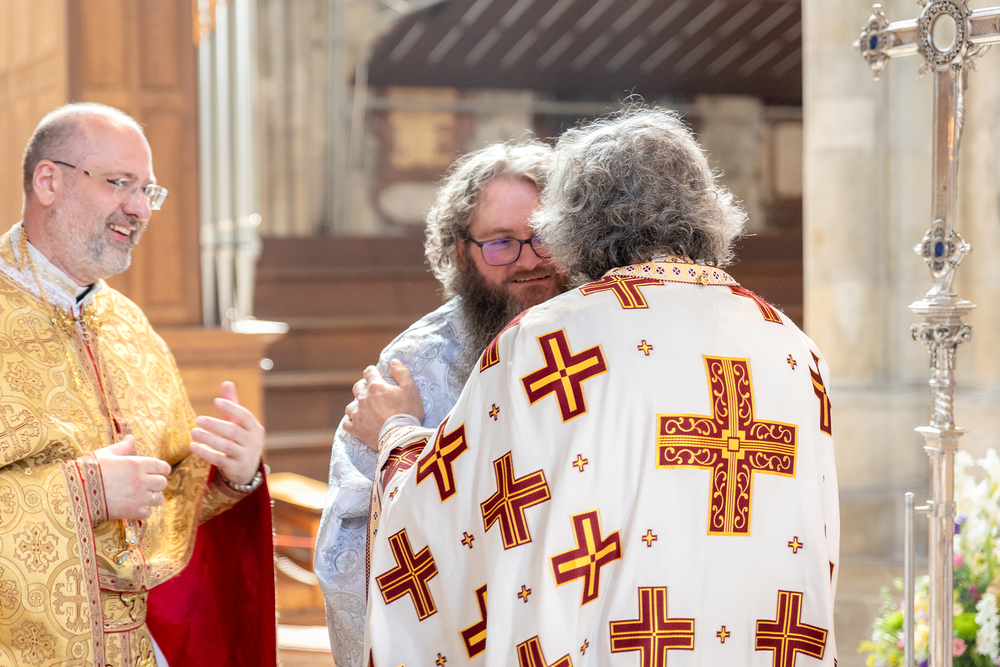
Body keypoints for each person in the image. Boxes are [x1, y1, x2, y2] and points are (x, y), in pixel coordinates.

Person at [354, 107, 840, 665]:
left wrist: (396, 434)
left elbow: (456, 521)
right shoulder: (793, 348)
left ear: (573, 221)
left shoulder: (547, 343)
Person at [0, 103, 274, 667]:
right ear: (48, 182)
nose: (139, 208)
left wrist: (231, 473)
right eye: (119, 183)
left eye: (147, 191)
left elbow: (166, 502)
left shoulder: (130, 327)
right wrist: (82, 493)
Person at [313, 138, 567, 667]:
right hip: (465, 634)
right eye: (501, 243)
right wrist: (401, 433)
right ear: (461, 252)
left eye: (544, 235)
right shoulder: (416, 366)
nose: (529, 260)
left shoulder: (606, 339)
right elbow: (348, 546)